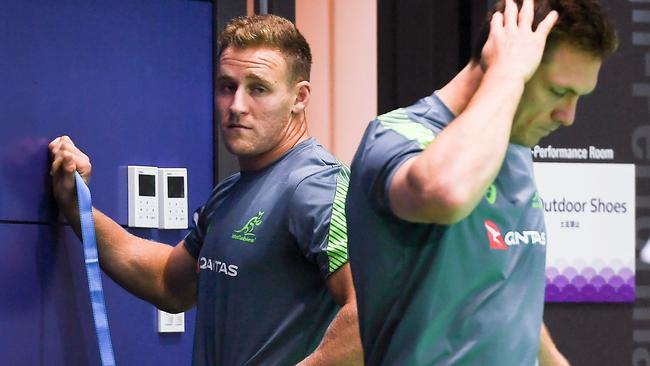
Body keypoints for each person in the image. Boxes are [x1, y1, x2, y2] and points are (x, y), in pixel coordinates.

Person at [49, 14, 362, 366]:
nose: (237, 106)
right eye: (227, 87)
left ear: (299, 97)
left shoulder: (316, 184)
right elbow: (168, 281)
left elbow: (371, 310)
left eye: (258, 88)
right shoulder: (229, 195)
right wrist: (79, 210)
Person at [346, 0, 617, 365]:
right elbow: (446, 193)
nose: (567, 116)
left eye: (577, 97)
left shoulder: (515, 148)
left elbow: (503, 289)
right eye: (557, 92)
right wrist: (506, 75)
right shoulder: (395, 135)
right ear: (500, 55)